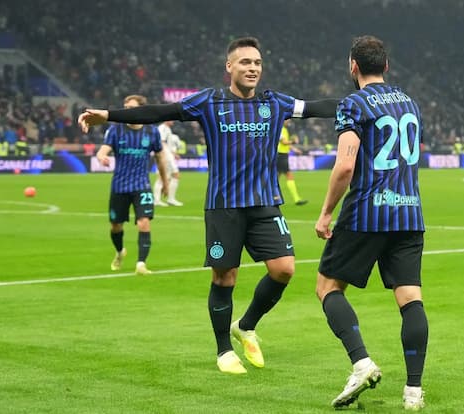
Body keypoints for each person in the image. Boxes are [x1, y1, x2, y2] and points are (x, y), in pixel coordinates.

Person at [79, 37, 337, 375]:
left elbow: (318, 107)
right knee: (225, 276)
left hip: (265, 203)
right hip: (223, 206)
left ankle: (246, 325)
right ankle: (223, 350)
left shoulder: (275, 102)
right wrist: (109, 115)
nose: (253, 68)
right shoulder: (209, 102)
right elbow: (161, 111)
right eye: (245, 62)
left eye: (257, 63)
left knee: (284, 269)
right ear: (229, 66)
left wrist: (362, 103)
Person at [314, 36, 428, 410]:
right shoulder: (410, 103)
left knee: (328, 287)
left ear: (353, 66)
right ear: (386, 65)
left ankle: (362, 363)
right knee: (410, 298)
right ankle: (413, 392)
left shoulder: (354, 104)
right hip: (409, 212)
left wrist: (326, 212)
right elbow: (413, 154)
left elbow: (345, 165)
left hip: (367, 211)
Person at [95, 94, 170, 275]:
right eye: (126, 108)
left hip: (141, 185)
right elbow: (103, 150)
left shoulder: (152, 132)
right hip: (119, 186)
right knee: (116, 226)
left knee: (144, 223)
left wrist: (165, 182)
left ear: (141, 110)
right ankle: (120, 251)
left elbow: (160, 158)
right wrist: (102, 157)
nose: (127, 112)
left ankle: (141, 264)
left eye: (132, 109)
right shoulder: (115, 130)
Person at [153, 120, 184, 207]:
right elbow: (161, 143)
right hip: (165, 156)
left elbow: (167, 144)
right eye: (171, 120)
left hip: (169, 155)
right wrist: (164, 156)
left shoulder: (167, 129)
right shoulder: (162, 128)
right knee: (163, 177)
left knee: (173, 176)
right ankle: (158, 200)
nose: (173, 121)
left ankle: (170, 199)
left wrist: (173, 153)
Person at [277, 119, 308, 205]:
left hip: (281, 155)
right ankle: (296, 199)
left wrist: (295, 149)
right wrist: (293, 141)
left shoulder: (284, 129)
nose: (289, 121)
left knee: (276, 178)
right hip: (281, 156)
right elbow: (284, 142)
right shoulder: (280, 129)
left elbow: (285, 144)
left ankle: (272, 197)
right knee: (289, 175)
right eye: (287, 120)